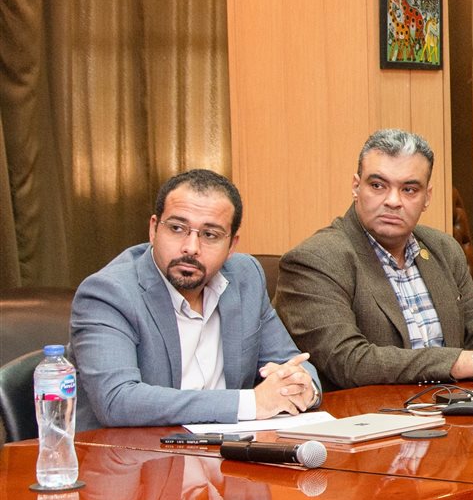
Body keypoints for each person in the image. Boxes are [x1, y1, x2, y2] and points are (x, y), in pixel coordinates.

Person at [275, 129, 473, 389]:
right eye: (378, 185)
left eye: (409, 189)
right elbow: (348, 361)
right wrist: (463, 362)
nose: (393, 201)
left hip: (452, 406)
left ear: (427, 197)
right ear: (356, 187)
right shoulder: (315, 260)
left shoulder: (443, 248)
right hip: (364, 414)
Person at [71, 169, 321, 428]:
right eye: (177, 228)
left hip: (229, 447)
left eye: (210, 235)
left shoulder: (245, 277)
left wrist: (303, 387)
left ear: (232, 246)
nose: (191, 248)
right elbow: (117, 400)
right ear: (153, 229)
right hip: (134, 450)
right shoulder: (108, 293)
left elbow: (291, 363)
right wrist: (251, 403)